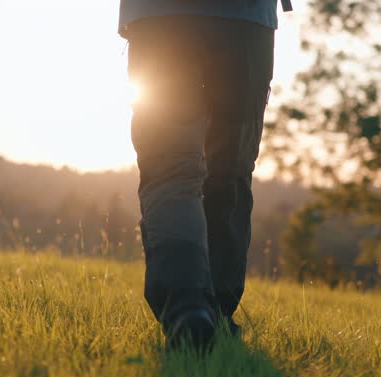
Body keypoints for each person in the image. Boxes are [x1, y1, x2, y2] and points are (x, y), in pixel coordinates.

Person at [119, 0, 291, 350]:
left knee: (170, 167)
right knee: (229, 171)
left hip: (160, 18)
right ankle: (213, 313)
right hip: (244, 22)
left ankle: (188, 308)